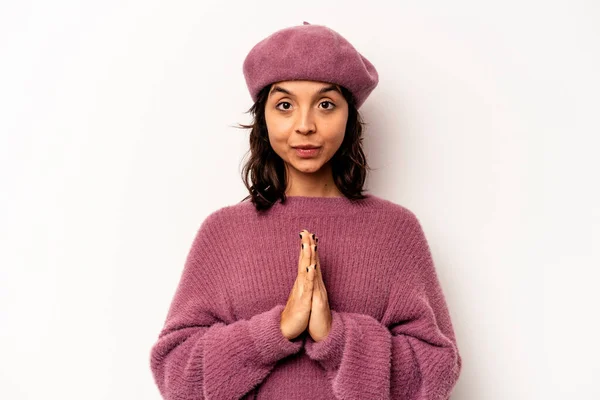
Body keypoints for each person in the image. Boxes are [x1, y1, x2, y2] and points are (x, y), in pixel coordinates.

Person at [149, 22, 462, 399]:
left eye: (326, 104)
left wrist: (336, 335)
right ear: (263, 117)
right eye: (284, 105)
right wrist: (276, 330)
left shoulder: (395, 229)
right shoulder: (224, 231)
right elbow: (174, 374)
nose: (305, 125)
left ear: (349, 116)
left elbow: (436, 371)